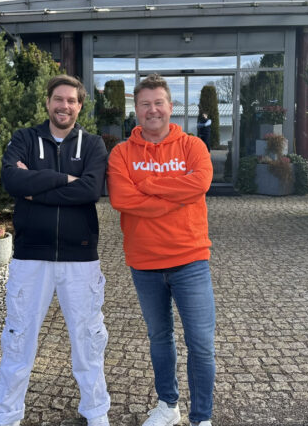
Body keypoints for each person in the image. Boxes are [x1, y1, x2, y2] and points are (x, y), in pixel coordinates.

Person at [0, 75, 110, 426]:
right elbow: (12, 180)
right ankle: (5, 415)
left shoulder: (93, 145)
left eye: (71, 100)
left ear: (80, 105)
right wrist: (64, 180)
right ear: (47, 102)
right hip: (30, 257)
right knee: (18, 339)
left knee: (88, 341)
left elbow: (90, 192)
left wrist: (36, 185)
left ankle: (96, 412)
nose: (64, 106)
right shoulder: (24, 138)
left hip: (80, 259)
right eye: (59, 99)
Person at [107, 74, 216, 426]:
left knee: (200, 343)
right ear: (135, 110)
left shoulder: (193, 147)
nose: (152, 110)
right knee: (160, 338)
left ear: (170, 107)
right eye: (144, 104)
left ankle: (202, 418)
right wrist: (176, 198)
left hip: (191, 260)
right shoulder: (122, 153)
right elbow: (122, 199)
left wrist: (149, 186)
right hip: (145, 262)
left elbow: (200, 183)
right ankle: (168, 406)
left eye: (158, 103)